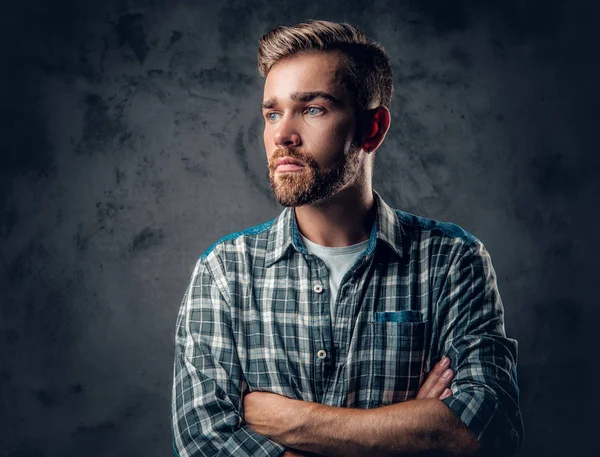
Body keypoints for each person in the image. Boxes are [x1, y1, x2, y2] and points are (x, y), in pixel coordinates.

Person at [171, 19, 523, 457]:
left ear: (371, 129)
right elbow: (203, 446)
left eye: (313, 108)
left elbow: (490, 430)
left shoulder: (452, 262)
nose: (282, 134)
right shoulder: (225, 272)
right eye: (272, 113)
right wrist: (411, 429)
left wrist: (290, 421)